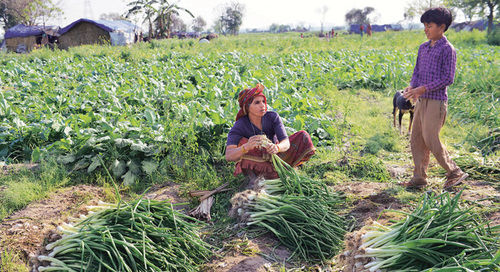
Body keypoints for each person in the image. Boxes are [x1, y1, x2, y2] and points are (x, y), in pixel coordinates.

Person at [401, 7, 468, 190]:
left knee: (430, 138)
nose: (425, 29)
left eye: (429, 26)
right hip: (421, 100)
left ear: (442, 27)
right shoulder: (423, 48)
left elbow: (448, 78)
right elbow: (417, 72)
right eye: (424, 25)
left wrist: (423, 88)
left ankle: (454, 171)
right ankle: (419, 177)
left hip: (436, 101)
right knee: (416, 139)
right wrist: (412, 87)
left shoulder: (448, 49)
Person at [225, 84, 316, 179]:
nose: (262, 105)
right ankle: (256, 177)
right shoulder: (240, 125)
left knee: (303, 136)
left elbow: (285, 142)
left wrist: (277, 147)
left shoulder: (272, 117)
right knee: (242, 142)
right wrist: (246, 147)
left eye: (263, 101)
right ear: (247, 107)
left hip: (275, 155)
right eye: (257, 103)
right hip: (257, 161)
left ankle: (282, 169)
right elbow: (229, 155)